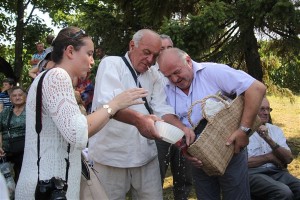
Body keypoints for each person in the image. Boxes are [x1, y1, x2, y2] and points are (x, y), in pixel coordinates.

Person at [15, 26, 149, 200]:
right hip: (48, 188)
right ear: (70, 51)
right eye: (89, 53)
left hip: (46, 185)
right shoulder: (58, 76)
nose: (92, 61)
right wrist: (114, 104)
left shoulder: (45, 76)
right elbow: (78, 134)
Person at [89, 29, 195, 200]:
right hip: (111, 156)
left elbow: (162, 108)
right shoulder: (111, 64)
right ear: (132, 45)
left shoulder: (153, 74)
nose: (151, 60)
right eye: (146, 53)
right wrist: (139, 120)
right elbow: (107, 105)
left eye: (155, 55)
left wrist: (181, 129)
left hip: (145, 155)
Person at [157, 48, 266, 200]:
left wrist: (243, 130)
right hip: (197, 156)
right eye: (168, 76)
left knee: (236, 196)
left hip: (230, 147)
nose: (174, 79)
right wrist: (184, 148)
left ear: (188, 61)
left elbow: (256, 88)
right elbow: (165, 115)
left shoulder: (212, 72)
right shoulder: (165, 87)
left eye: (176, 72)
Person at [155, 34, 193, 200]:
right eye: (162, 49)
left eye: (169, 48)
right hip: (162, 130)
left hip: (184, 128)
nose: (166, 51)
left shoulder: (182, 70)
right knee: (157, 174)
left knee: (184, 175)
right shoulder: (151, 73)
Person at [247, 97, 300, 200]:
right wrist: (270, 157)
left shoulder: (276, 130)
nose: (266, 112)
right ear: (253, 109)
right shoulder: (244, 132)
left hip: (277, 172)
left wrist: (268, 138)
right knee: (283, 192)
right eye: (262, 109)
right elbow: (243, 163)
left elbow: (288, 159)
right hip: (253, 174)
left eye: (268, 109)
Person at [0, 86, 27, 184]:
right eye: (14, 96)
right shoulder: (5, 112)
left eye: (20, 95)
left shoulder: (31, 112)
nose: (17, 97)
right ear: (10, 99)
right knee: (7, 182)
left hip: (26, 152)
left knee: (22, 179)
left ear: (25, 97)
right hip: (7, 151)